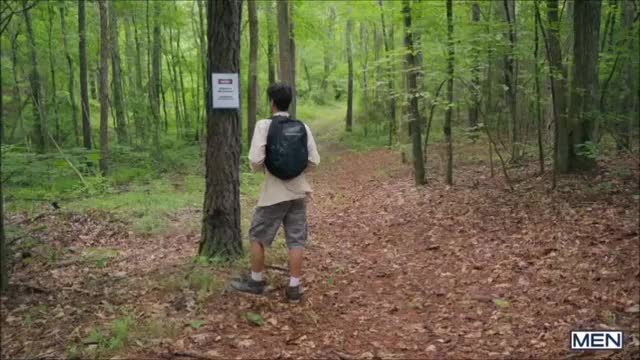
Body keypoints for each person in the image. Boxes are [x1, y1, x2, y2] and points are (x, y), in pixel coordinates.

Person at [231, 83, 320, 303]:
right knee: (296, 240)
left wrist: (268, 170)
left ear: (271, 102)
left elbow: (255, 160)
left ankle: (256, 281)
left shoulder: (264, 125)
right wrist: (296, 172)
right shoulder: (302, 126)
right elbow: (314, 161)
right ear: (289, 102)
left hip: (274, 193)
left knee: (257, 236)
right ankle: (294, 288)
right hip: (299, 192)